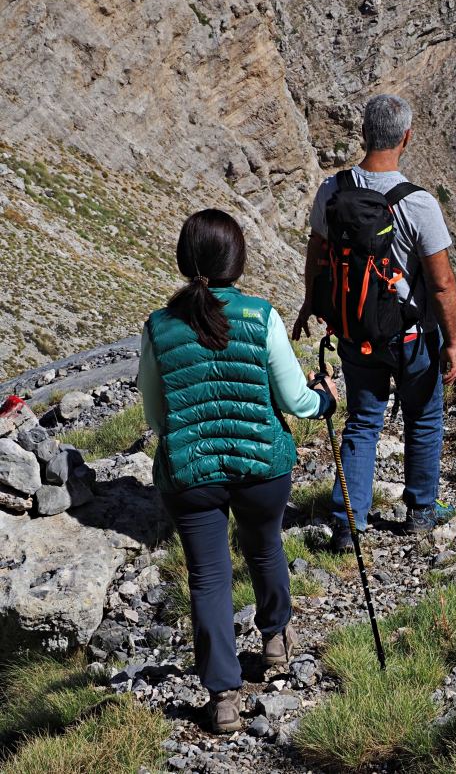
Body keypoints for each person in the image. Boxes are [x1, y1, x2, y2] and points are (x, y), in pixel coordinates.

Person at [138, 209, 338, 734]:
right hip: (260, 468)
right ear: (238, 259)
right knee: (265, 546)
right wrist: (326, 400)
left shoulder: (159, 328)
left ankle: (222, 696)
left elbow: (158, 417)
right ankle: (275, 640)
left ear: (186, 260)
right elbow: (294, 399)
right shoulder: (260, 316)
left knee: (208, 577)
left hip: (192, 471)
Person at [293, 94, 456, 549]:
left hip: (355, 332)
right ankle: (421, 511)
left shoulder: (333, 190)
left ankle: (349, 522)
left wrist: (311, 302)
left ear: (363, 134)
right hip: (411, 336)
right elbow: (442, 284)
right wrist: (451, 343)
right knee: (424, 417)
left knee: (363, 422)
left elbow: (317, 250)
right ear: (406, 137)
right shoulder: (418, 203)